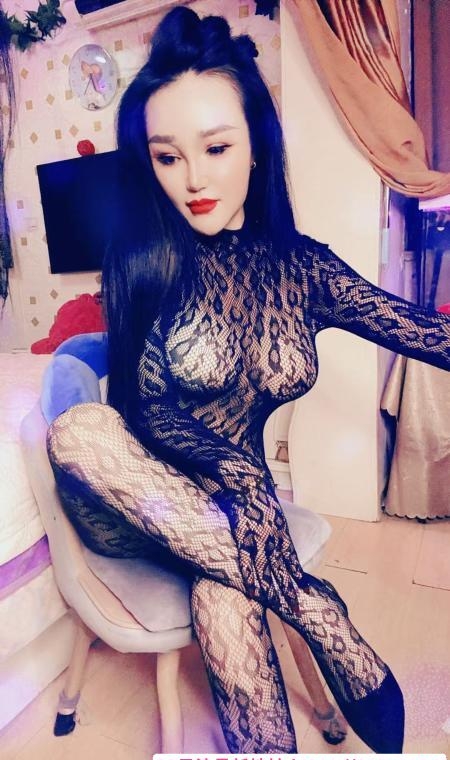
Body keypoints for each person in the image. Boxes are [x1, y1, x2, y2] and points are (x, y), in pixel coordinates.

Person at [46, 6, 450, 753]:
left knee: (225, 601)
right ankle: (314, 607)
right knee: (80, 428)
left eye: (216, 147)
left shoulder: (303, 268)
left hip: (231, 513)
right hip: (142, 499)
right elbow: (143, 408)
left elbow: (423, 331)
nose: (194, 179)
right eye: (167, 158)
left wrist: (238, 488)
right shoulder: (143, 257)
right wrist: (237, 472)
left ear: (257, 145)